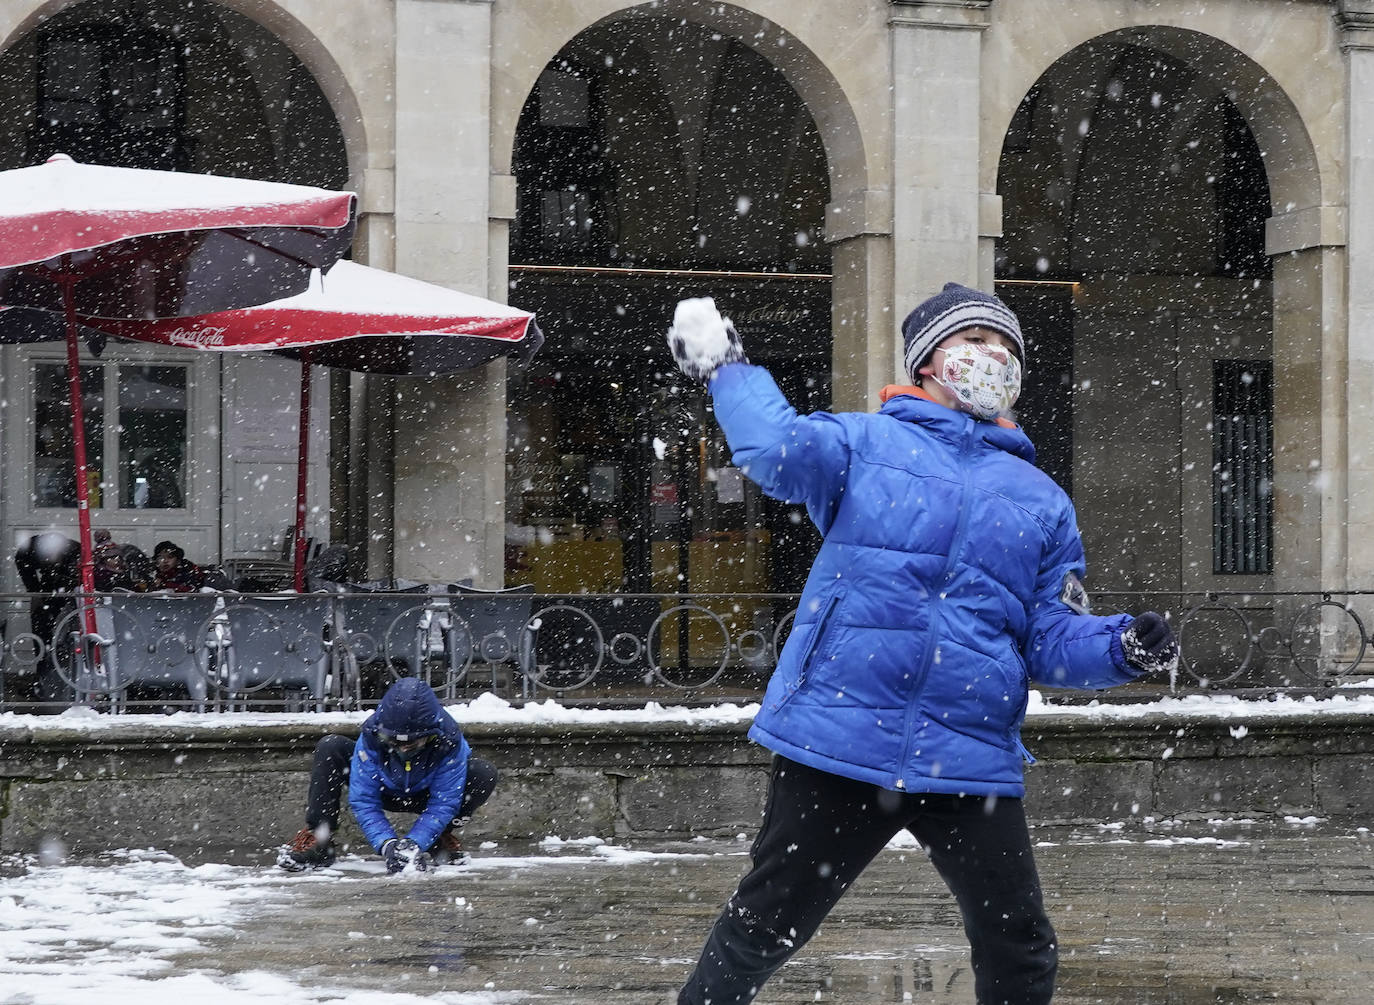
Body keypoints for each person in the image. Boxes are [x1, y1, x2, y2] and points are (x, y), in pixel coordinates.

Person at [665, 285, 1180, 1005]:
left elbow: (1050, 636)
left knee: (1021, 947)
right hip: (842, 734)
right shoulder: (864, 444)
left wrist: (1122, 646)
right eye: (974, 341)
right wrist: (728, 368)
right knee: (764, 926)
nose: (993, 358)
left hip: (967, 751)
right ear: (928, 361)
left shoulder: (1040, 499)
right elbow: (777, 448)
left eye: (1005, 349)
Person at [278, 676, 499, 872]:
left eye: (413, 743)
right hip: (385, 789)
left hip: (426, 795)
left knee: (482, 773)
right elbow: (364, 801)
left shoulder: (449, 742)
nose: (403, 748)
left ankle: (437, 837)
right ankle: (319, 838)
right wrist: (387, 844)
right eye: (395, 741)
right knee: (330, 747)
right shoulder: (372, 736)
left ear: (431, 735)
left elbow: (444, 803)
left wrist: (414, 844)